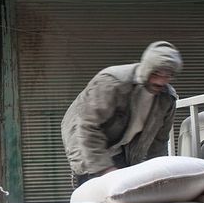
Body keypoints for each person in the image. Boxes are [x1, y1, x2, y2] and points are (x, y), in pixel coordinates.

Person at [61, 41, 183, 187]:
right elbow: (88, 127)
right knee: (94, 188)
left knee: (125, 190)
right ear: (146, 68)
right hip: (83, 135)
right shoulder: (112, 83)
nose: (161, 80)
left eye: (168, 75)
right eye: (156, 73)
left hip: (121, 146)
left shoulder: (167, 98)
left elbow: (159, 141)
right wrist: (106, 170)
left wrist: (160, 175)